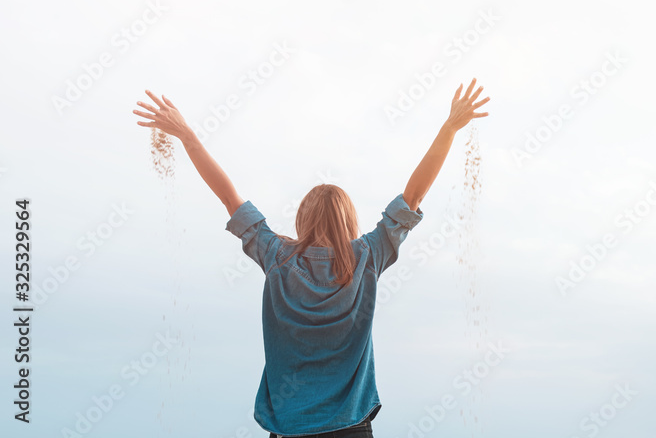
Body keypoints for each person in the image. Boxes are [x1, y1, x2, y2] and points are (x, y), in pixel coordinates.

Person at [133, 79, 490, 437]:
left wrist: (187, 135)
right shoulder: (367, 256)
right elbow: (413, 195)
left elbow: (229, 197)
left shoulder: (276, 255)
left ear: (302, 219)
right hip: (351, 426)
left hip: (291, 429)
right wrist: (449, 127)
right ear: (348, 220)